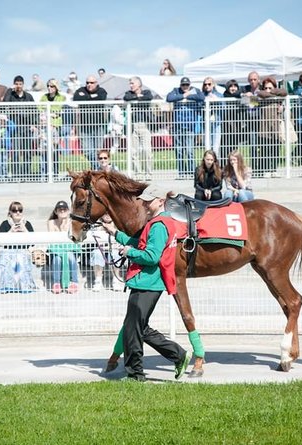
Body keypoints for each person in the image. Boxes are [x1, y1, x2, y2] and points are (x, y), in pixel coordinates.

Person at [100, 184, 192, 381]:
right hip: (148, 282)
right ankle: (177, 356)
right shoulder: (160, 222)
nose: (145, 204)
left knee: (135, 328)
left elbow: (151, 256)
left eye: (149, 201)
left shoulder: (159, 225)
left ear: (160, 201)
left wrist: (128, 252)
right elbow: (140, 242)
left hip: (147, 282)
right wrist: (114, 232)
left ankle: (137, 374)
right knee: (137, 327)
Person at [0, 201, 39, 294]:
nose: (17, 212)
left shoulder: (27, 224)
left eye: (20, 210)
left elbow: (33, 242)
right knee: (5, 257)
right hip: (8, 250)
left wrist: (24, 230)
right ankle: (2, 286)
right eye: (14, 210)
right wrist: (10, 231)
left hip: (22, 250)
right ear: (10, 213)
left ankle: (24, 286)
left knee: (20, 256)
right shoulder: (4, 224)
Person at [166, 77, 204, 179]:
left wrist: (189, 96)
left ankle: (192, 173)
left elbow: (201, 97)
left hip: (190, 126)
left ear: (189, 85)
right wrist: (183, 95)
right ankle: (182, 173)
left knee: (189, 151)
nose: (185, 87)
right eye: (183, 85)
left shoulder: (195, 90)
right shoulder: (175, 91)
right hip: (178, 126)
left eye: (187, 85)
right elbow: (169, 98)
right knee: (179, 151)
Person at [73, 75, 108, 171]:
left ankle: (97, 169)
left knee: (98, 150)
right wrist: (91, 98)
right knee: (87, 151)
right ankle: (96, 167)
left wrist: (86, 98)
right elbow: (76, 99)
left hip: (98, 126)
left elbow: (101, 98)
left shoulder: (102, 91)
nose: (89, 84)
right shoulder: (80, 90)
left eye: (92, 83)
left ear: (96, 83)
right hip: (84, 126)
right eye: (87, 82)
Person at [2, 75, 35, 179]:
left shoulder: (28, 96)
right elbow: (5, 103)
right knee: (15, 152)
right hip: (15, 128)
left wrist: (33, 124)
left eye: (20, 84)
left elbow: (35, 111)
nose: (18, 86)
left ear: (23, 85)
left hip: (26, 128)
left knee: (27, 152)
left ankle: (26, 174)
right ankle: (16, 175)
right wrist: (9, 90)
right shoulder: (10, 95)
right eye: (16, 84)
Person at [123, 76, 154, 180]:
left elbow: (148, 98)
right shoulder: (128, 93)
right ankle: (138, 173)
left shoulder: (147, 92)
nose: (131, 85)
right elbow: (127, 98)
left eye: (133, 83)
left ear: (139, 84)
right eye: (130, 83)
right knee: (134, 152)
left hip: (144, 125)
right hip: (133, 126)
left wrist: (137, 98)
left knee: (147, 151)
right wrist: (138, 97)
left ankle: (148, 173)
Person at [47, 200, 80, 294]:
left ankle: (74, 282)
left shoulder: (72, 222)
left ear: (68, 211)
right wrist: (61, 226)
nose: (62, 211)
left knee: (70, 256)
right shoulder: (51, 222)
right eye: (60, 209)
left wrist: (66, 224)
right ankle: (56, 283)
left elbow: (72, 237)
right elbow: (52, 238)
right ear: (56, 211)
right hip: (57, 248)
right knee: (57, 259)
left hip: (69, 247)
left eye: (64, 209)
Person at [39, 79, 66, 180]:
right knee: (43, 151)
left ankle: (54, 173)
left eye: (52, 86)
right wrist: (50, 114)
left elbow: (58, 110)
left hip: (55, 127)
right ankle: (44, 174)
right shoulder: (43, 97)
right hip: (44, 127)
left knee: (54, 151)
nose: (49, 88)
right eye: (48, 86)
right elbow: (40, 109)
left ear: (56, 87)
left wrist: (48, 112)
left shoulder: (61, 97)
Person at [220, 79, 242, 161]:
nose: (233, 88)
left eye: (235, 86)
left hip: (237, 125)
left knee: (234, 147)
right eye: (231, 86)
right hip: (226, 124)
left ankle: (234, 164)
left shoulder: (240, 96)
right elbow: (230, 95)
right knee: (225, 146)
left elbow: (253, 103)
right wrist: (241, 93)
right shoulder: (224, 95)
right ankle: (223, 165)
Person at [201, 77, 223, 155]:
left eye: (209, 84)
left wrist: (217, 100)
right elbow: (198, 105)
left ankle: (216, 166)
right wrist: (204, 100)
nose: (207, 86)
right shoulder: (201, 95)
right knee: (207, 147)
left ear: (213, 85)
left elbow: (224, 107)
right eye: (205, 84)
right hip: (205, 124)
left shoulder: (219, 95)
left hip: (216, 124)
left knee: (216, 148)